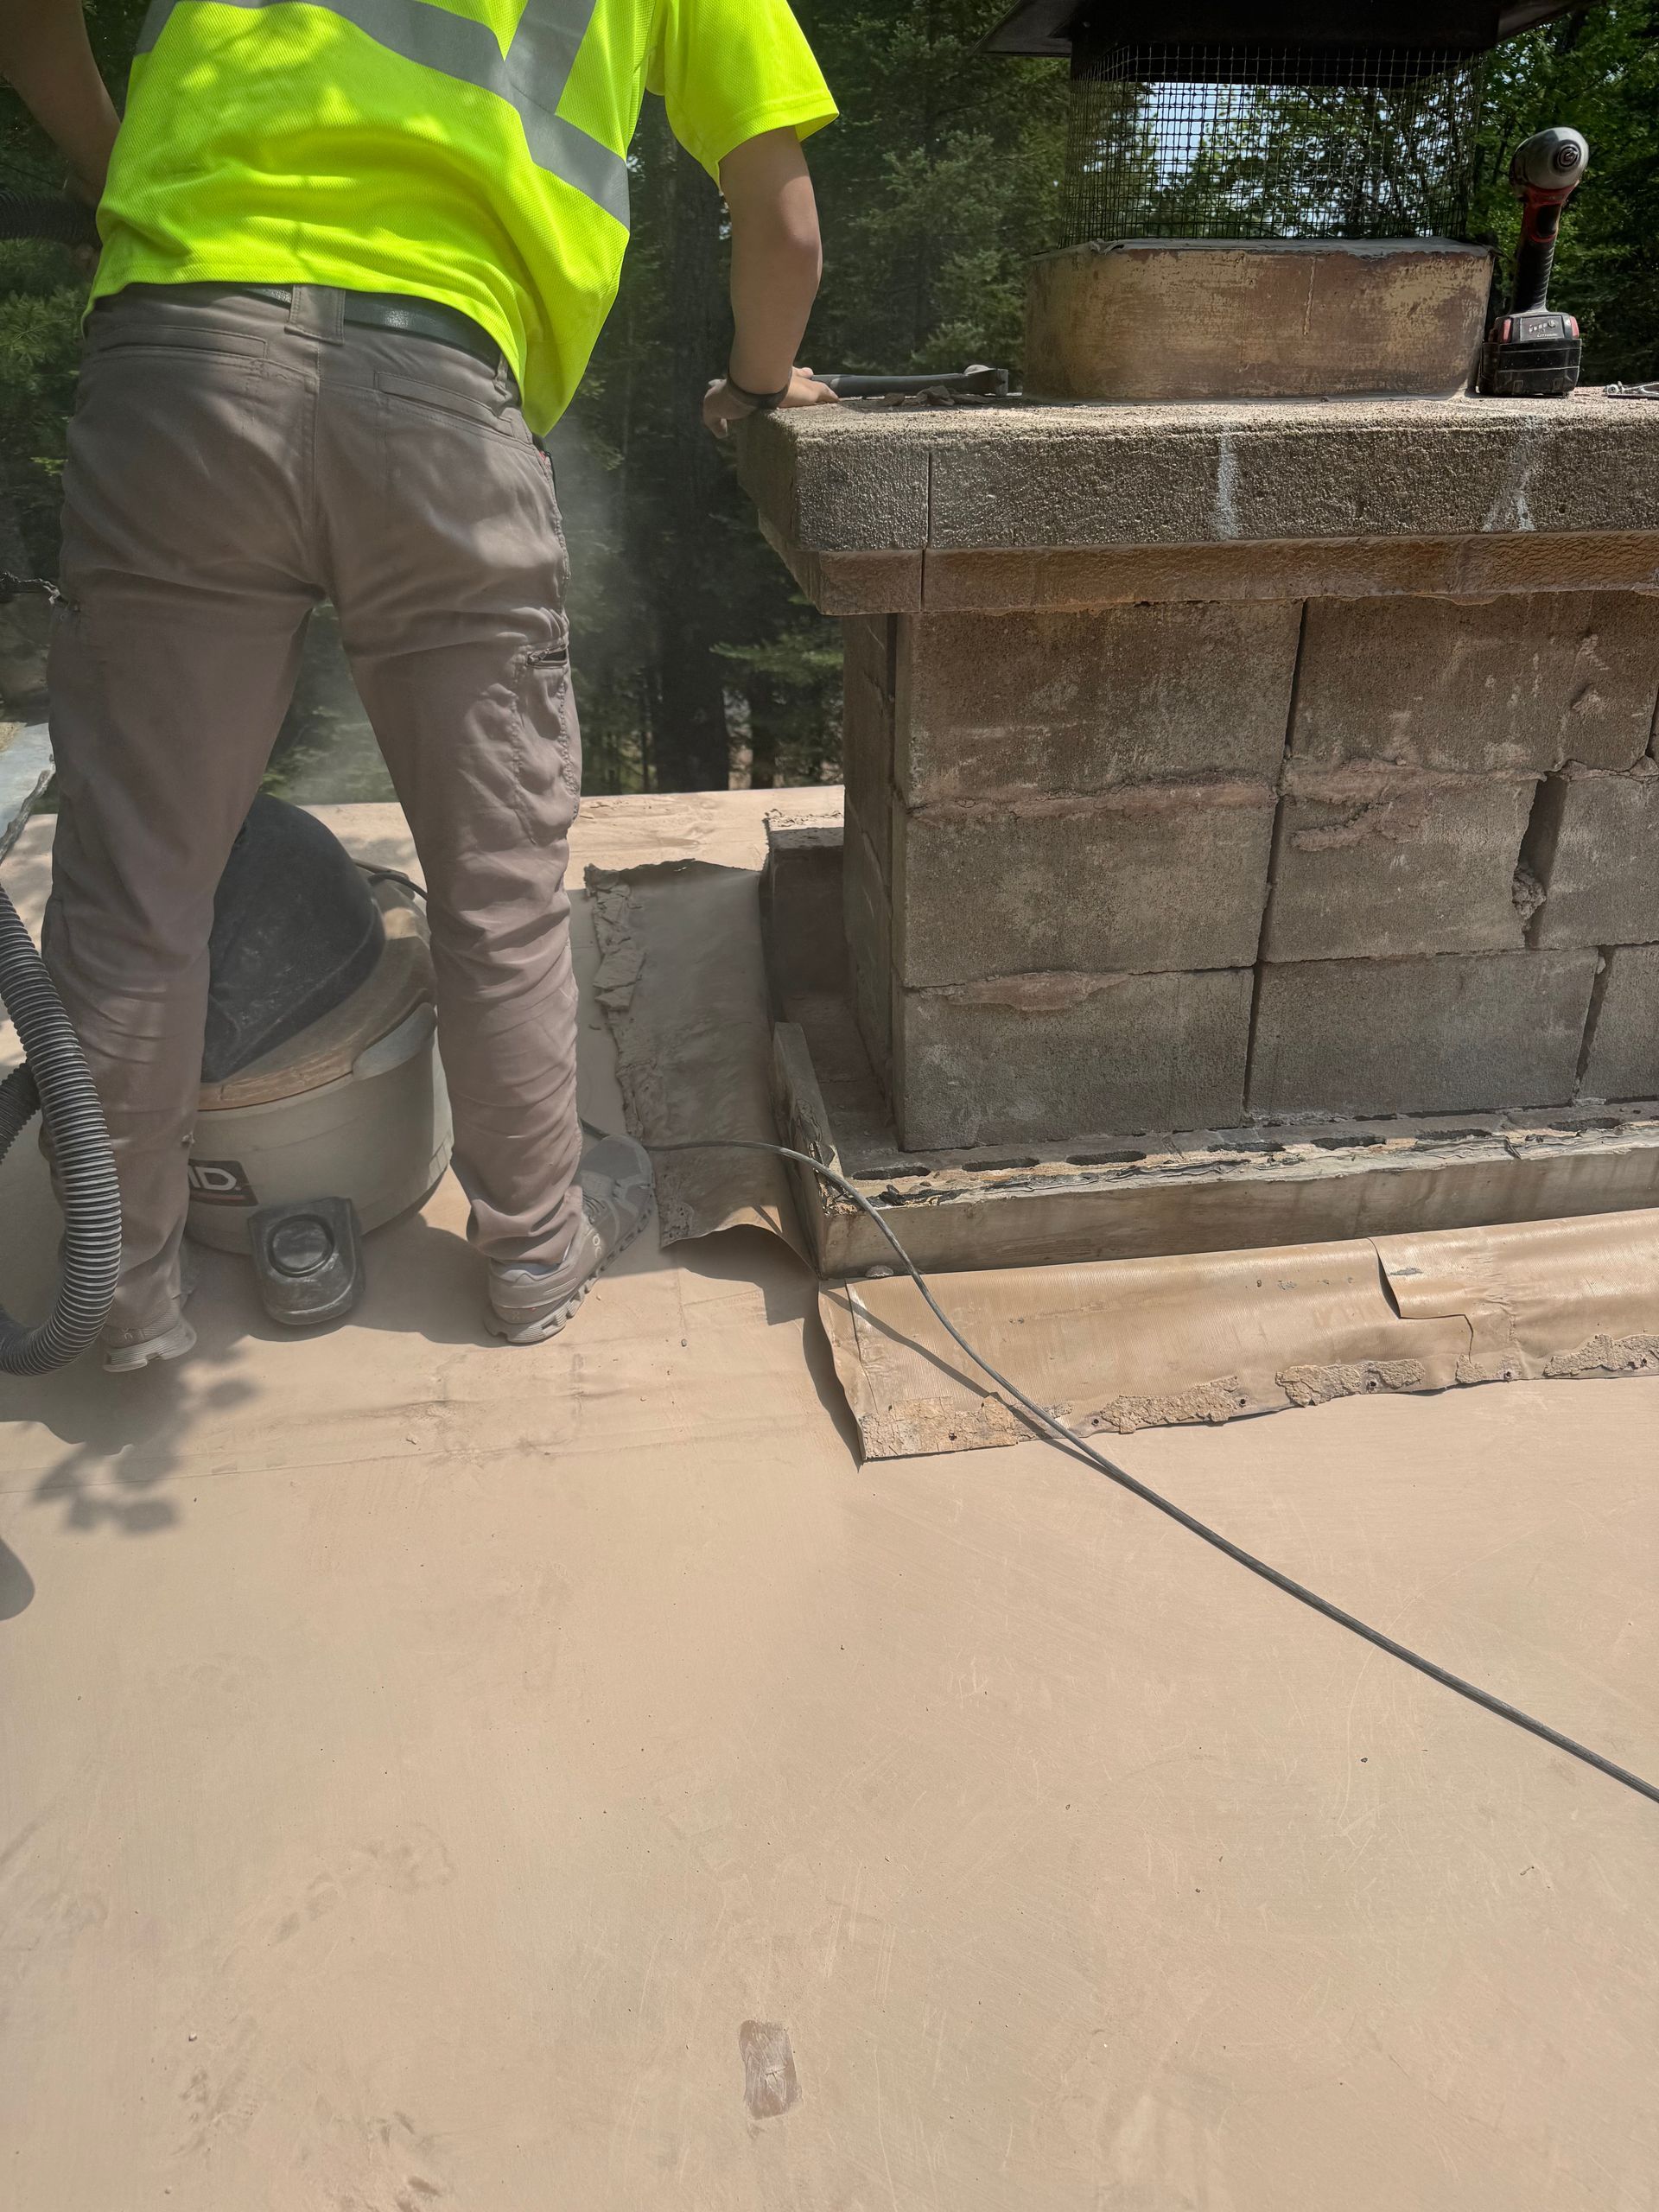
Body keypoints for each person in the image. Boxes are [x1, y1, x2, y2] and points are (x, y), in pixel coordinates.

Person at [0, 0, 838, 1368]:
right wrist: (752, 389)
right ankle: (531, 1248)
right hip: (440, 389)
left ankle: (123, 1294)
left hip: (179, 364)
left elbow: (31, 28)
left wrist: (136, 197)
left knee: (136, 891)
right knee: (497, 883)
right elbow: (785, 225)